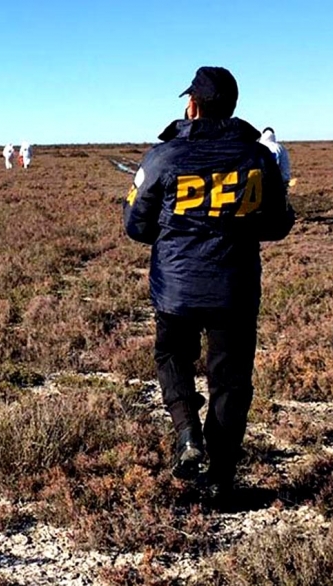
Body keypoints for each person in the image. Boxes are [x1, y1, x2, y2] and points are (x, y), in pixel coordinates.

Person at [123, 66, 295, 500]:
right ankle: (221, 480)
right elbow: (276, 225)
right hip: (235, 290)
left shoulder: (162, 157)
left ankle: (186, 433)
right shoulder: (259, 158)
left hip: (176, 290)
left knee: (171, 356)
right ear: (233, 107)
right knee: (231, 382)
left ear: (193, 105)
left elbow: (136, 226)